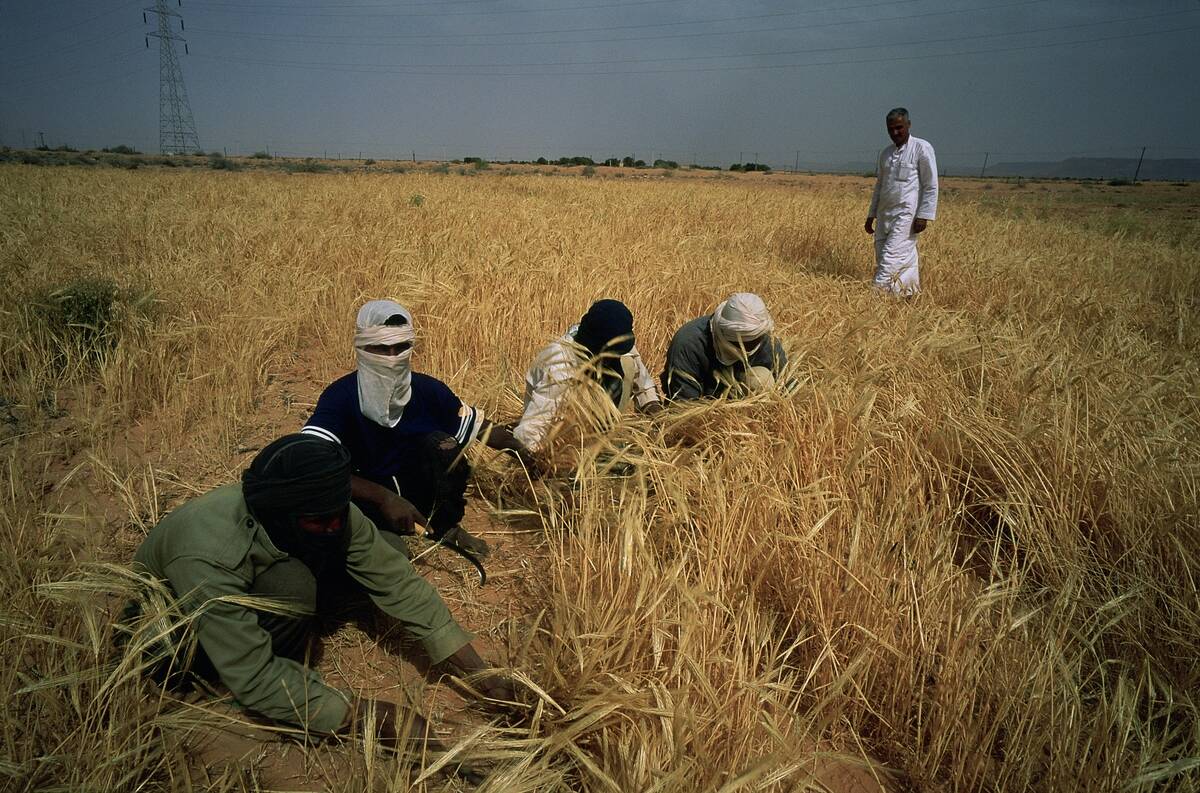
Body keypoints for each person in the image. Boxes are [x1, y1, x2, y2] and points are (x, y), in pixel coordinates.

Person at [126, 434, 513, 775]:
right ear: (281, 516)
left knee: (388, 547)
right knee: (293, 588)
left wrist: (480, 674)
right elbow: (254, 676)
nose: (333, 527)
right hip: (175, 635)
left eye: (336, 516)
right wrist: (371, 716)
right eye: (318, 522)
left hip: (246, 577)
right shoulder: (210, 555)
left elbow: (398, 582)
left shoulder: (323, 509)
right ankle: (282, 685)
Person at [302, 300, 531, 558]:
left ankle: (444, 526)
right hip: (365, 498)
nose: (392, 358)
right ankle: (377, 533)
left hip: (413, 490)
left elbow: (480, 429)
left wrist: (524, 449)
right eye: (381, 348)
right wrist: (384, 498)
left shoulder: (427, 390)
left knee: (445, 447)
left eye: (400, 347)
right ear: (362, 348)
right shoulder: (340, 397)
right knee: (392, 554)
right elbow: (311, 464)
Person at [513, 298, 662, 454]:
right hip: (567, 448)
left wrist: (658, 416)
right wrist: (545, 459)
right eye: (612, 352)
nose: (616, 356)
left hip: (606, 438)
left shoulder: (616, 338)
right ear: (596, 347)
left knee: (628, 363)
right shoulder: (559, 364)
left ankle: (605, 443)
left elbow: (644, 385)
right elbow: (531, 433)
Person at [864, 107, 938, 296]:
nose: (895, 132)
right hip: (884, 214)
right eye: (891, 129)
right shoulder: (886, 154)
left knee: (891, 257)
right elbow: (880, 186)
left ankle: (875, 298)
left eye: (899, 127)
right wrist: (871, 215)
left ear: (908, 125)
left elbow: (930, 184)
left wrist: (923, 215)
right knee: (891, 256)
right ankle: (907, 295)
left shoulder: (921, 148)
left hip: (906, 215)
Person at [660, 292, 786, 401]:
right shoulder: (689, 343)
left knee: (761, 380)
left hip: (745, 410)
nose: (746, 349)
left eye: (753, 342)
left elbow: (787, 385)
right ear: (723, 334)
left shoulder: (765, 340)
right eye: (740, 344)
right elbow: (684, 402)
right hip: (701, 405)